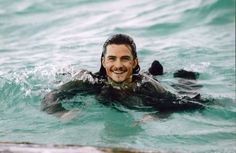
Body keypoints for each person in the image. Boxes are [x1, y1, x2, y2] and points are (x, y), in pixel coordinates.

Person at [41, 34, 205, 117]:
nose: (118, 65)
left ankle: (170, 72)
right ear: (103, 62)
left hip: (142, 80)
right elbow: (50, 97)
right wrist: (61, 113)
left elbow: (187, 103)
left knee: (185, 78)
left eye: (125, 59)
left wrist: (156, 116)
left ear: (134, 62)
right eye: (112, 59)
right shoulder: (89, 80)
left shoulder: (146, 85)